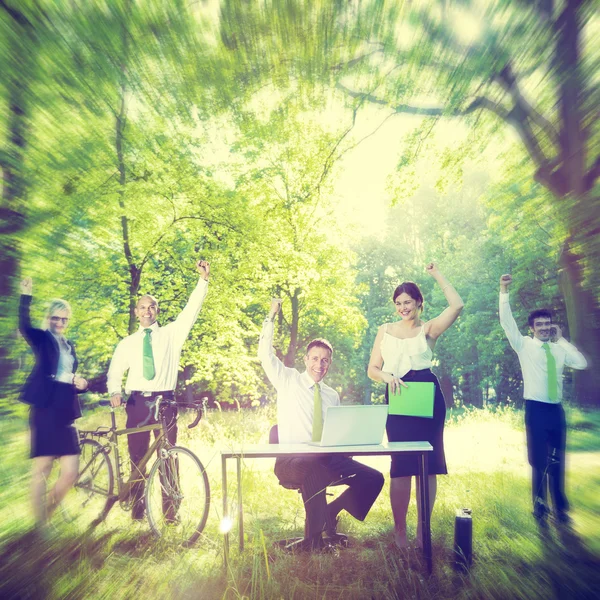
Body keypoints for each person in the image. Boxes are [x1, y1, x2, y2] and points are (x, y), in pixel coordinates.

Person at [258, 298, 384, 552]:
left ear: (329, 363)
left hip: (326, 459)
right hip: (292, 463)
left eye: (324, 360)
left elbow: (335, 433)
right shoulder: (288, 380)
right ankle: (313, 541)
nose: (319, 365)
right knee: (313, 465)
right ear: (306, 360)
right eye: (315, 359)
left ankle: (330, 511)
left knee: (374, 478)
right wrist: (270, 316)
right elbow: (264, 354)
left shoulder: (331, 395)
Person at [367, 263, 463, 549]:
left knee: (428, 466)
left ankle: (423, 530)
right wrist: (385, 375)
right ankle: (399, 532)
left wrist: (437, 273)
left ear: (419, 302)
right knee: (401, 465)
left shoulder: (429, 328)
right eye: (398, 303)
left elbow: (457, 305)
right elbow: (372, 368)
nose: (403, 307)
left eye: (407, 302)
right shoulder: (385, 330)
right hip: (397, 395)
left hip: (427, 397)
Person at [107, 259, 210, 520]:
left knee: (168, 455)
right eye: (142, 307)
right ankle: (139, 510)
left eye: (152, 306)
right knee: (138, 456)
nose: (147, 310)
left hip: (165, 402)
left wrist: (203, 281)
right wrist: (114, 392)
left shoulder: (172, 335)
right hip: (137, 403)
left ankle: (170, 513)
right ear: (136, 312)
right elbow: (115, 371)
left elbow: (191, 310)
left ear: (157, 311)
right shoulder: (127, 343)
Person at [498, 274, 587, 527]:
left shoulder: (559, 349)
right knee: (538, 461)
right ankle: (539, 506)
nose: (544, 327)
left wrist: (562, 339)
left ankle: (560, 508)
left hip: (556, 411)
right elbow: (507, 322)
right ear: (532, 328)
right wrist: (504, 290)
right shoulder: (524, 345)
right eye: (540, 324)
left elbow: (581, 363)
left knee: (558, 459)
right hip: (535, 410)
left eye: (548, 323)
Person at [18, 277, 88, 530]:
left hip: (65, 411)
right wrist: (26, 295)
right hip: (44, 408)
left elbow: (68, 375)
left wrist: (82, 383)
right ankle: (41, 526)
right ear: (49, 318)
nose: (59, 322)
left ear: (68, 320)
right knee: (43, 467)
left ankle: (47, 512)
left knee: (70, 472)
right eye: (55, 318)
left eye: (64, 319)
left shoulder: (69, 345)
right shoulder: (41, 338)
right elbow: (24, 326)